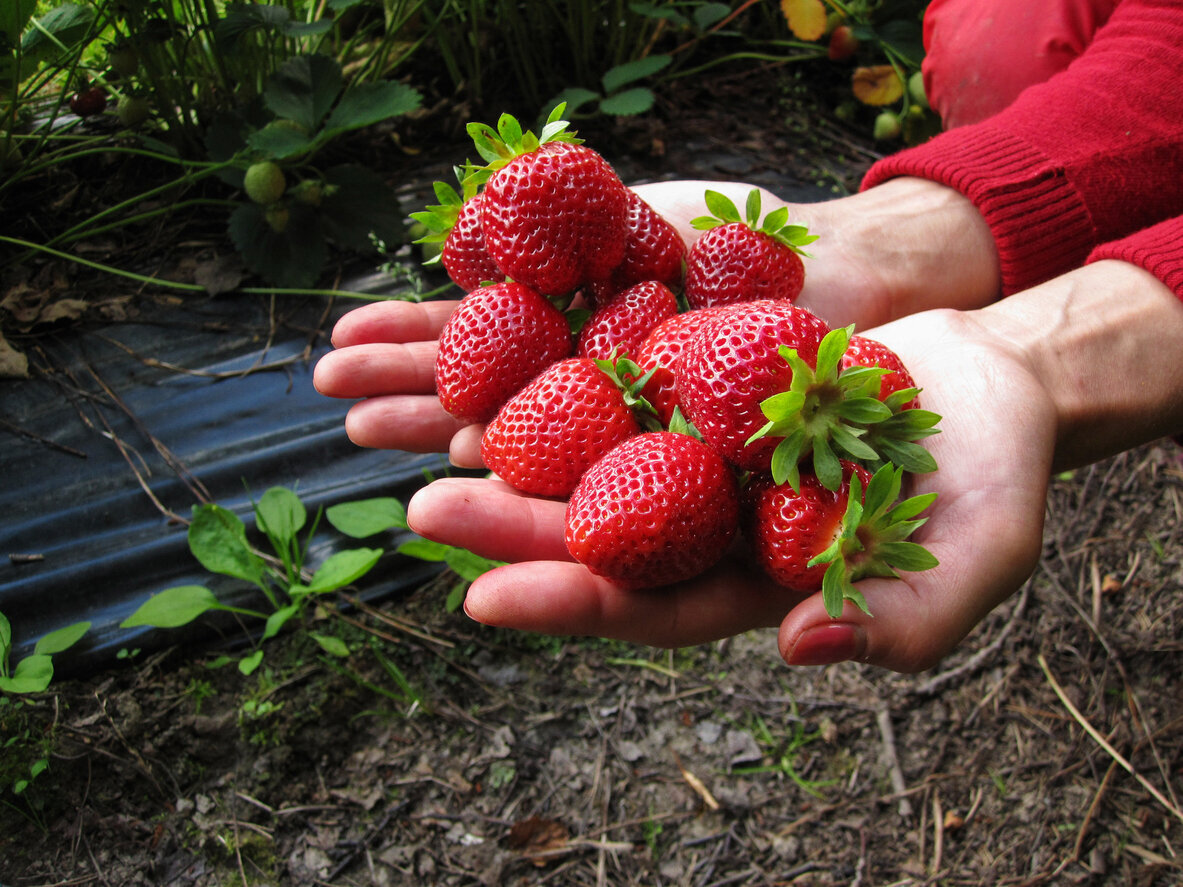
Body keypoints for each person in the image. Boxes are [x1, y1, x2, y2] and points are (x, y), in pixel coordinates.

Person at [314, 0, 1183, 673]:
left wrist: (1044, 357)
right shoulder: (689, 340)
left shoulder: (762, 410)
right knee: (998, 38)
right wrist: (904, 232)